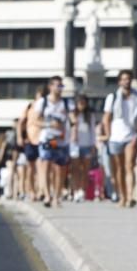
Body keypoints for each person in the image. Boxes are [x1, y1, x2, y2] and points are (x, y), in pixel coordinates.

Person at [101, 69, 137, 208]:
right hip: (116, 137)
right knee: (119, 168)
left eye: (128, 79)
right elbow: (106, 118)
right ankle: (122, 196)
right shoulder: (113, 97)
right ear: (119, 81)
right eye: (123, 79)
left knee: (129, 166)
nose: (126, 81)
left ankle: (130, 196)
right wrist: (108, 135)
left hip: (131, 136)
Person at [31, 76, 71, 208]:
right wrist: (49, 124)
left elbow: (72, 119)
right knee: (46, 164)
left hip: (61, 139)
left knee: (59, 169)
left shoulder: (66, 103)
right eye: (57, 85)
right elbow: (35, 120)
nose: (59, 88)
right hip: (48, 138)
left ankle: (57, 196)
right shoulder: (43, 102)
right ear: (50, 87)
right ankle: (47, 195)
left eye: (61, 86)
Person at [68, 95, 96, 202]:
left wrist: (93, 144)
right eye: (80, 103)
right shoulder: (72, 115)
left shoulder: (90, 115)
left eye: (83, 102)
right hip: (74, 145)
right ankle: (75, 190)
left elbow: (93, 130)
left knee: (85, 169)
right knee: (75, 169)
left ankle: (82, 190)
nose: (82, 105)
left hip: (87, 144)